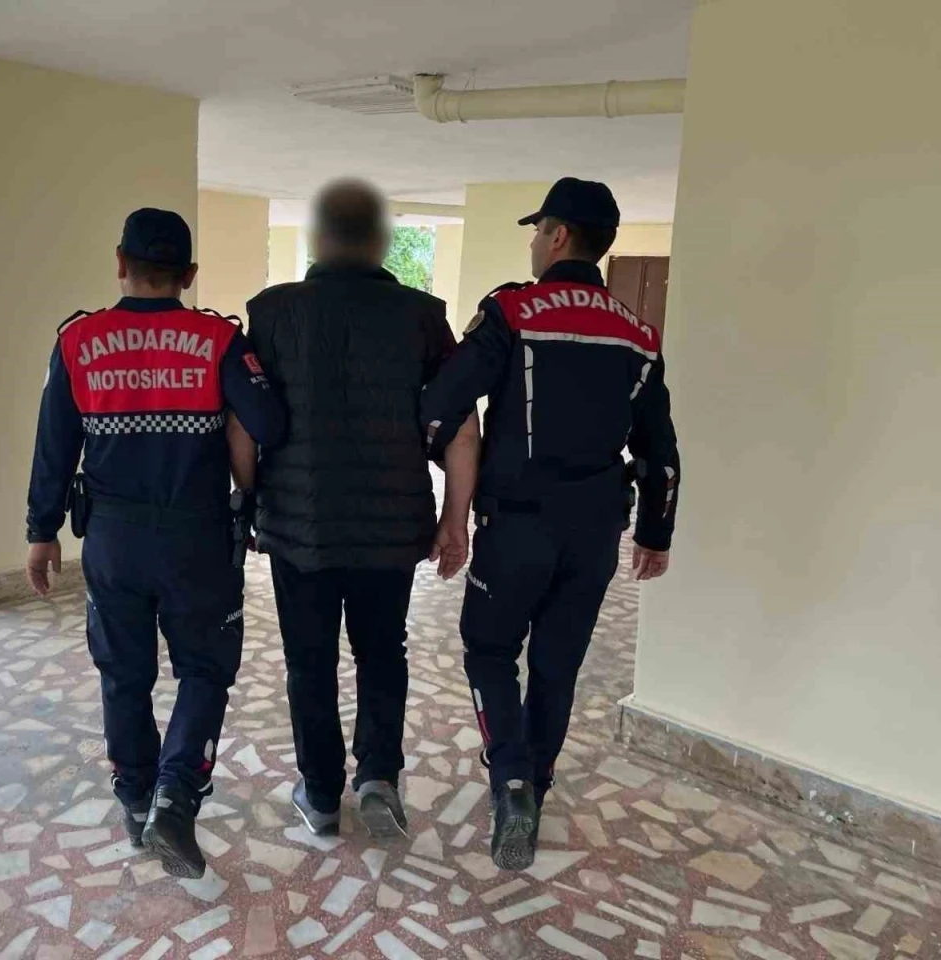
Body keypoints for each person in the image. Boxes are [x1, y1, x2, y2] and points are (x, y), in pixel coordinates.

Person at [420, 178, 680, 871]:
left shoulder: (511, 311)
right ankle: (535, 785)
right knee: (557, 663)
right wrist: (656, 533)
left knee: (488, 650)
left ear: (558, 235)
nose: (534, 243)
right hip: (594, 533)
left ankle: (510, 782)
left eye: (538, 231)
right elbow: (660, 450)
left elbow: (443, 402)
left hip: (516, 527)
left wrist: (446, 480)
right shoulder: (639, 335)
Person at [24, 208, 285, 878]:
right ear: (188, 275)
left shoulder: (78, 341)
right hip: (197, 539)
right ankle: (177, 792)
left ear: (120, 262)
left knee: (124, 672)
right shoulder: (219, 339)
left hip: (112, 539)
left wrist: (41, 531)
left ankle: (137, 795)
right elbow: (268, 422)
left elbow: (54, 443)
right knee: (204, 668)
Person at [247, 180, 478, 840]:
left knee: (308, 660)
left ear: (317, 238)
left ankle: (321, 795)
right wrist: (455, 521)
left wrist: (249, 504)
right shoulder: (423, 316)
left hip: (299, 526)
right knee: (383, 652)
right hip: (391, 528)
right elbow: (462, 427)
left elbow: (247, 419)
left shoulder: (270, 311)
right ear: (380, 241)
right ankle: (378, 776)